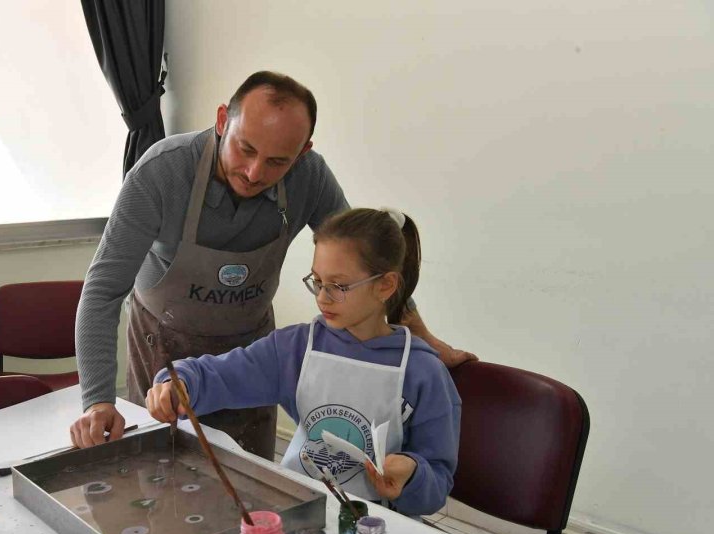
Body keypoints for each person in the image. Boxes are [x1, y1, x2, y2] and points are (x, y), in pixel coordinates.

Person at [70, 71, 474, 457]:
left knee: (252, 490)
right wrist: (97, 401)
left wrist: (423, 337)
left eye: (278, 162)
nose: (254, 172)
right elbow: (103, 290)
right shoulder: (162, 173)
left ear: (303, 151)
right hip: (164, 349)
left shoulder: (310, 178)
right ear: (222, 119)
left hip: (254, 351)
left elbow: (368, 259)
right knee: (162, 482)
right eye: (245, 149)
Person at [145, 208, 461, 517]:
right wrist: (178, 384)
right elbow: (217, 375)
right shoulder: (296, 348)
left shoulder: (422, 371)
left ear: (385, 285)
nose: (322, 298)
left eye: (338, 286)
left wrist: (412, 475)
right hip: (304, 513)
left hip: (383, 528)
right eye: (317, 281)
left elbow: (436, 486)